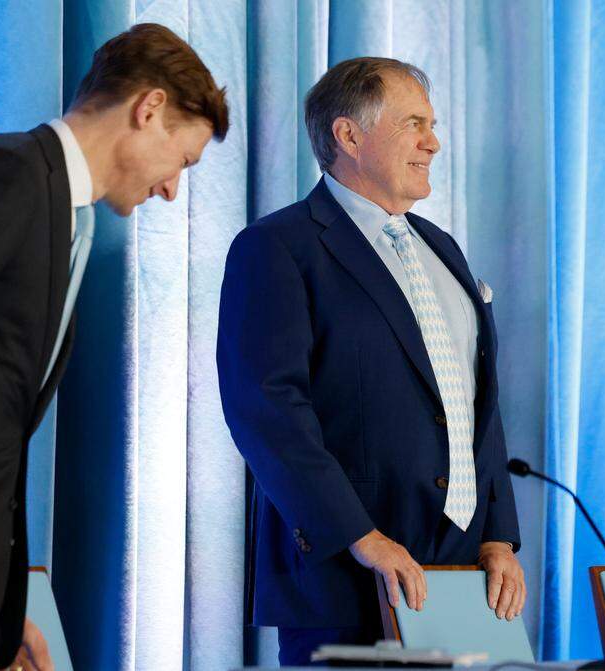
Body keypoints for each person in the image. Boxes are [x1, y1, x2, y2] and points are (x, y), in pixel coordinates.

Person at [0, 23, 228, 670]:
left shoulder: (61, 208)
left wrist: (5, 608)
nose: (173, 188)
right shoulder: (4, 175)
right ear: (149, 109)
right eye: (184, 161)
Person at [217, 57, 525, 666]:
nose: (433, 142)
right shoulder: (278, 247)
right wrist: (361, 537)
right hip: (345, 580)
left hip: (459, 579)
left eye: (432, 125)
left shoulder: (443, 248)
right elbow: (267, 412)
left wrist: (497, 533)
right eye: (414, 124)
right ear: (349, 136)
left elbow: (473, 403)